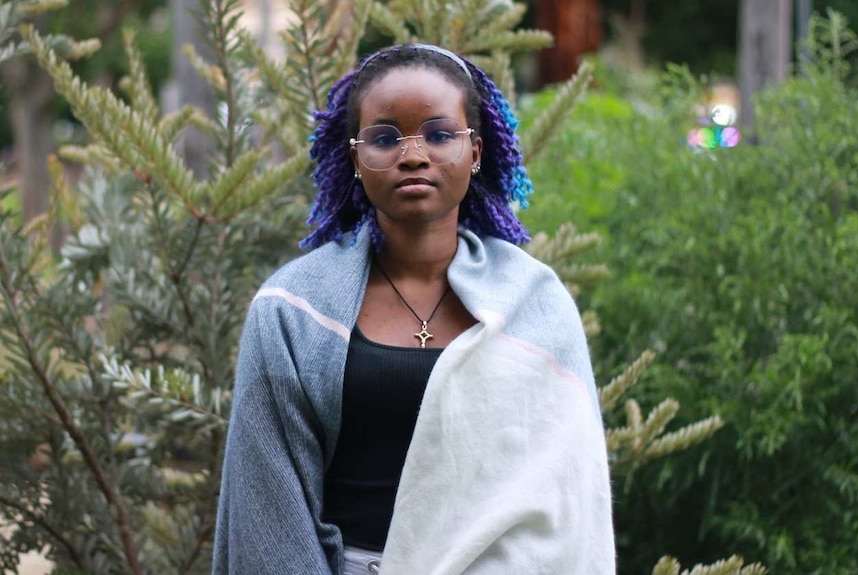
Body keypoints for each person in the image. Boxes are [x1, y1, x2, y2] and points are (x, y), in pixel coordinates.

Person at [212, 43, 615, 575]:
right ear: (356, 157)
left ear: (475, 149)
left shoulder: (537, 305)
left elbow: (569, 497)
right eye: (384, 138)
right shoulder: (291, 311)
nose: (413, 154)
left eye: (439, 133)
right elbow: (268, 509)